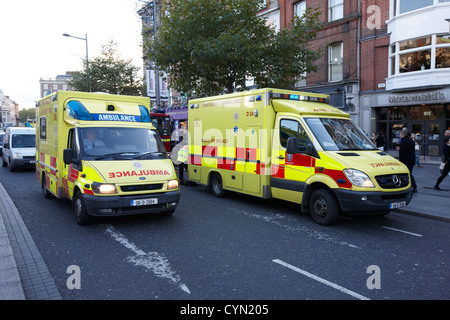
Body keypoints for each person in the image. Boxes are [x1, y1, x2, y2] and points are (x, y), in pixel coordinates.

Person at [397, 128, 417, 193]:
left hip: (405, 160)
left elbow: (402, 152)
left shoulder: (403, 141)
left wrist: (400, 160)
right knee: (410, 173)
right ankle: (413, 186)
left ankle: (412, 187)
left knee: (408, 174)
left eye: (400, 134)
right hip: (411, 160)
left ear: (402, 134)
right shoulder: (411, 141)